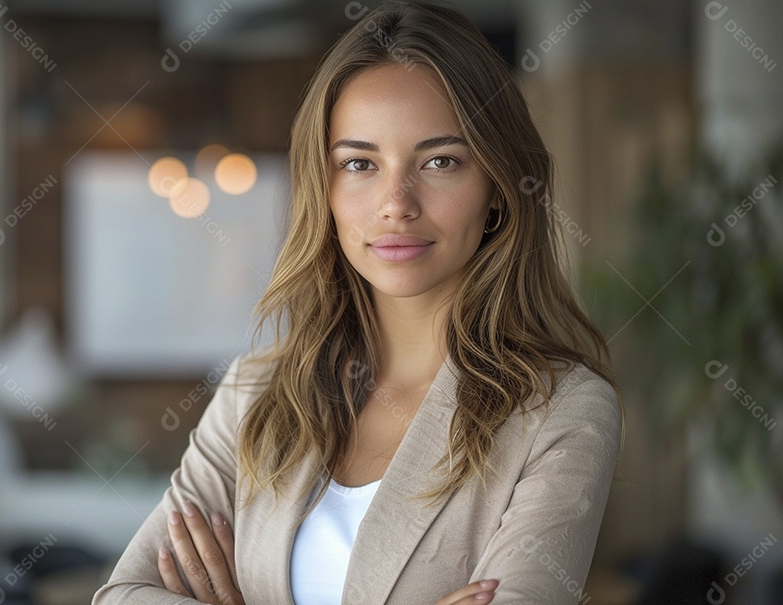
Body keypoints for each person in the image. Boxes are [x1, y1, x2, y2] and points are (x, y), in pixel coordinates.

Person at [92, 3, 622, 604]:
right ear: (327, 189)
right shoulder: (254, 395)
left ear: (498, 188)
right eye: (360, 164)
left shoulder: (560, 414)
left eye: (440, 162)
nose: (396, 202)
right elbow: (123, 595)